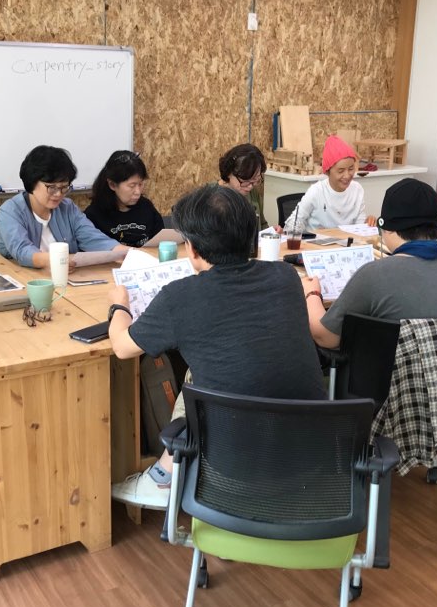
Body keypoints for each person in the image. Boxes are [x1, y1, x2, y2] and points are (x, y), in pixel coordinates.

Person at [106, 183, 326, 508]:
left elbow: (122, 348)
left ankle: (165, 478)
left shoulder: (179, 296)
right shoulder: (285, 277)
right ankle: (165, 473)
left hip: (230, 475)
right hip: (313, 465)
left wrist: (119, 306)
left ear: (192, 249)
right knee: (214, 365)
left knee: (203, 372)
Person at [304, 178, 437, 350]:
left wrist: (311, 293)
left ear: (387, 228)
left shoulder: (374, 275)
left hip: (382, 372)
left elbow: (326, 338)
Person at [0, 145, 128, 268]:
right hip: (23, 277)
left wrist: (125, 252)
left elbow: (92, 237)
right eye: (52, 187)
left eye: (64, 187)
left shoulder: (67, 207)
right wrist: (55, 261)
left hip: (66, 276)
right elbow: (22, 250)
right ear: (32, 182)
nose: (58, 194)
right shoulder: (10, 211)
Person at [283, 135, 376, 233]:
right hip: (317, 242)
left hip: (347, 242)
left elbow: (359, 226)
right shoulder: (316, 191)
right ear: (327, 172)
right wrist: (292, 233)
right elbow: (294, 222)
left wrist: (367, 223)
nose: (347, 175)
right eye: (341, 171)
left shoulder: (357, 189)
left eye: (351, 169)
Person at [84, 150, 164, 247]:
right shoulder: (94, 215)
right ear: (112, 184)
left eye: (140, 184)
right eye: (132, 186)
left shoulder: (146, 207)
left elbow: (162, 241)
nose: (138, 192)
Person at [218, 143, 271, 231]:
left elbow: (262, 224)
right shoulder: (211, 199)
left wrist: (271, 233)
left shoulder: (252, 194)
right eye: (245, 181)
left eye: (255, 180)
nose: (250, 187)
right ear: (229, 173)